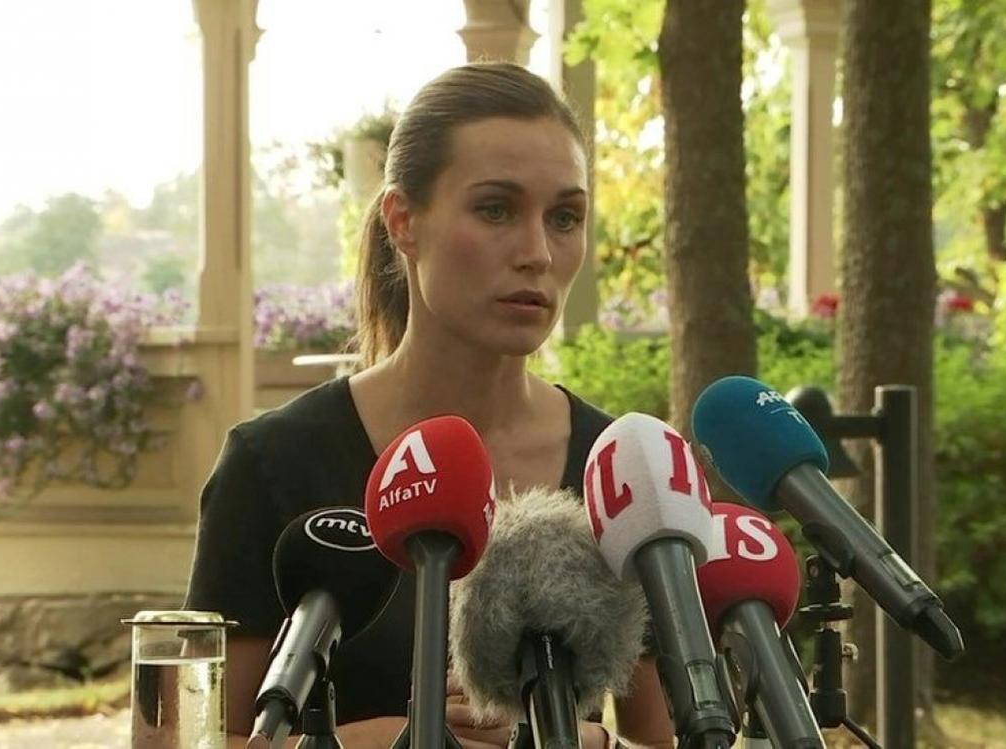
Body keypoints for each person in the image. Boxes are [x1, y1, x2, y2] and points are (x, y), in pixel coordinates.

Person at [184, 62, 674, 748]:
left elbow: (669, 738)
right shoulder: (273, 464)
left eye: (564, 217)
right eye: (495, 209)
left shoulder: (620, 470)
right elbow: (194, 738)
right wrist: (383, 741)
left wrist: (580, 740)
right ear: (403, 221)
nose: (536, 252)